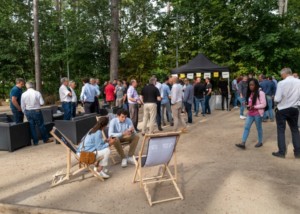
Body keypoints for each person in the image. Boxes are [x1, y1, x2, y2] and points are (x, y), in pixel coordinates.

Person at [272, 68, 300, 159]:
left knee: (281, 131)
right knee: (295, 130)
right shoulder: (298, 82)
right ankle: (298, 152)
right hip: (294, 108)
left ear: (285, 74)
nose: (281, 76)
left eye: (281, 75)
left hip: (283, 109)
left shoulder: (281, 83)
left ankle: (282, 152)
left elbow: (277, 99)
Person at [235, 79, 266, 149]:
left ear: (256, 85)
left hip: (257, 113)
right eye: (250, 85)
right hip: (250, 113)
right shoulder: (250, 93)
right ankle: (243, 143)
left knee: (259, 128)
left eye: (252, 85)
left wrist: (254, 106)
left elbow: (264, 104)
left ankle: (260, 142)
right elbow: (250, 102)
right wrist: (247, 105)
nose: (251, 86)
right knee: (246, 128)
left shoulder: (261, 93)